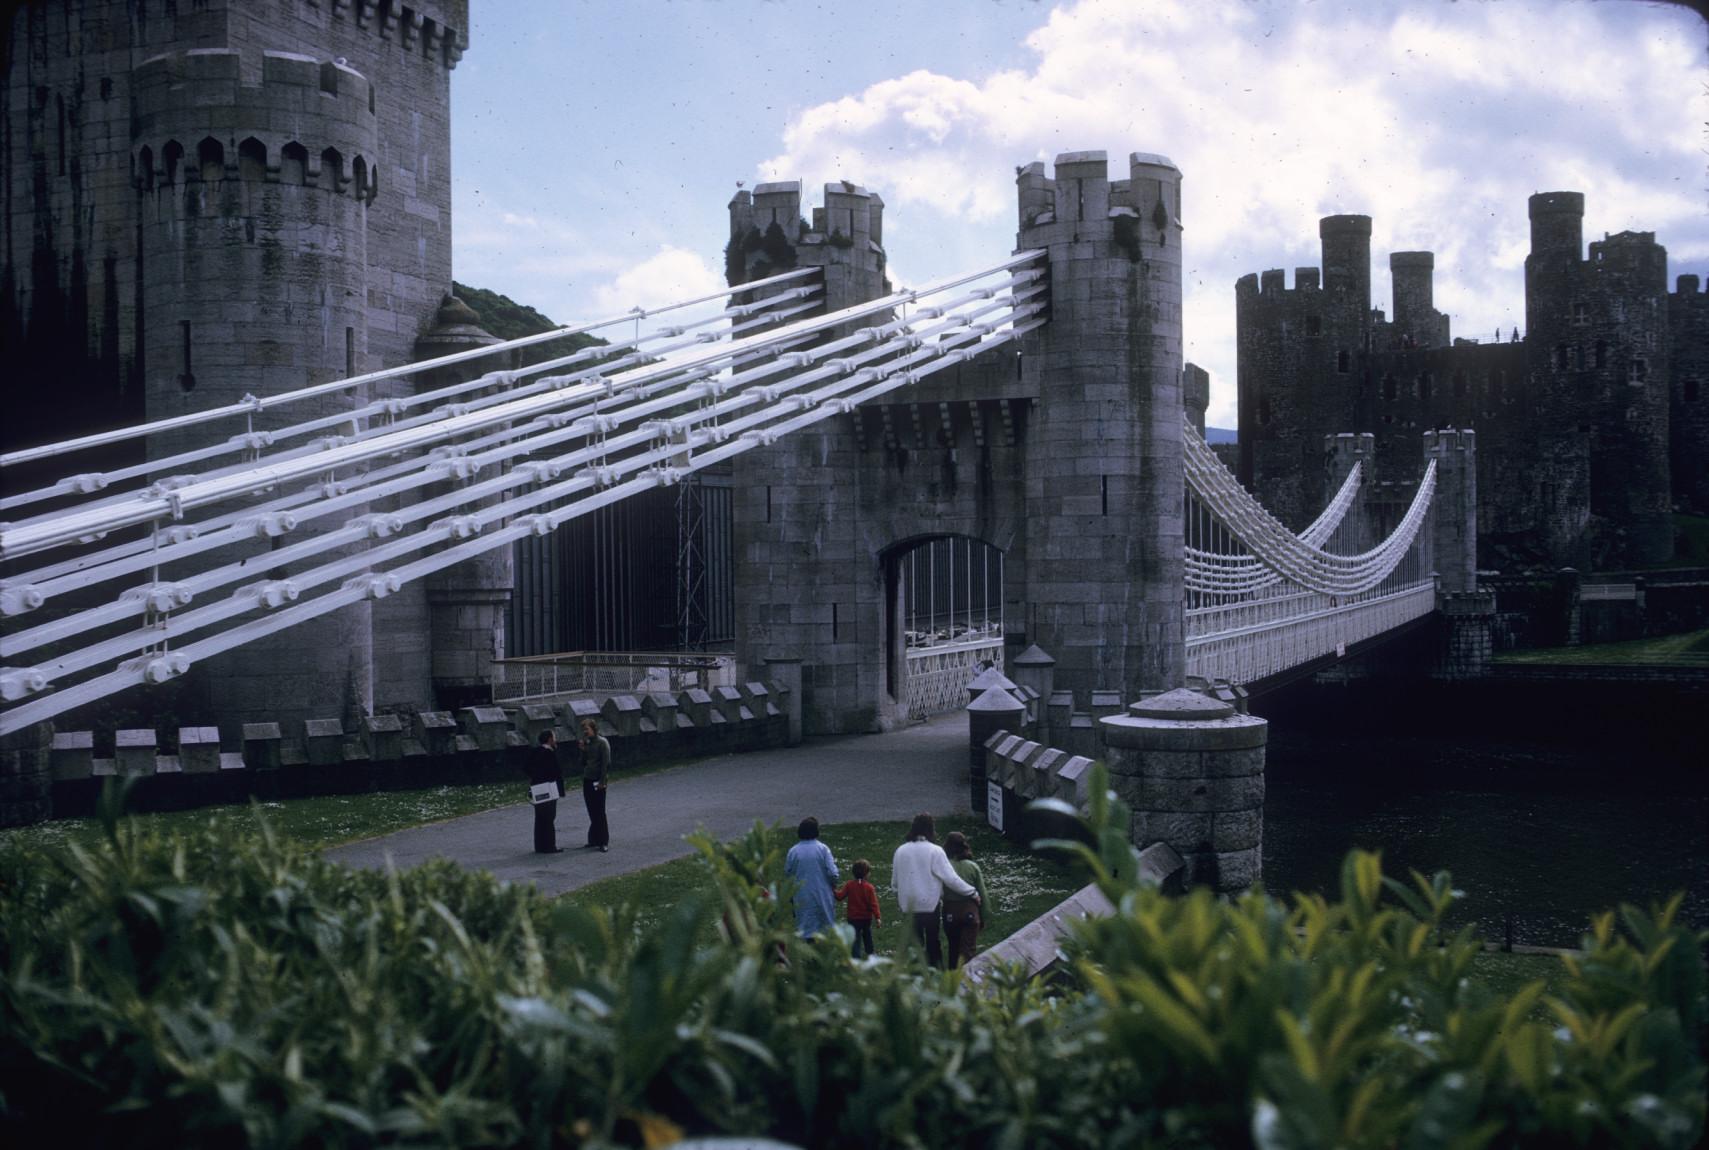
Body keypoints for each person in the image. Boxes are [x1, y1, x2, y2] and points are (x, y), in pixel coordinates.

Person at [891, 813, 977, 968]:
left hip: (908, 906)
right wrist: (972, 892)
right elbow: (951, 879)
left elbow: (895, 883)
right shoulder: (935, 851)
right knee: (933, 942)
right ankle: (935, 973)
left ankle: (917, 975)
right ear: (931, 829)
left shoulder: (900, 851)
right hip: (930, 906)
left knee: (915, 944)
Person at [784, 816, 839, 940]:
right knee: (824, 928)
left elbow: (788, 873)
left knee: (805, 926)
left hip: (801, 894)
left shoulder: (793, 851)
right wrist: (833, 883)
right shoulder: (823, 849)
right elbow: (833, 873)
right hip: (822, 893)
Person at [940, 832, 990, 969]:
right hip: (970, 912)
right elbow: (982, 893)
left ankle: (951, 980)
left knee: (953, 948)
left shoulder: (944, 866)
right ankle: (968, 981)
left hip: (950, 912)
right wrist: (984, 916)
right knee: (968, 950)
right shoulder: (972, 867)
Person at [835, 859, 882, 959]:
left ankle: (855, 958)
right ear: (866, 874)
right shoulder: (869, 888)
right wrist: (877, 917)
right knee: (867, 936)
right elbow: (874, 904)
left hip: (853, 919)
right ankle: (871, 954)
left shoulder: (849, 885)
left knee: (855, 939)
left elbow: (840, 897)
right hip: (866, 919)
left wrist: (832, 889)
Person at [527, 729, 565, 854]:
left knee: (539, 817)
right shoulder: (549, 753)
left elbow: (526, 767)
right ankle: (549, 846)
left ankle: (540, 845)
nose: (555, 740)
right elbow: (556, 771)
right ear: (549, 739)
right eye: (554, 737)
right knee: (549, 817)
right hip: (549, 788)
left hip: (537, 787)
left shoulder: (535, 751)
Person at [577, 718, 610, 851]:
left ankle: (603, 841)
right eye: (583, 729)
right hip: (588, 779)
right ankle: (593, 839)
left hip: (598, 779)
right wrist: (583, 750)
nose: (585, 732)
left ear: (594, 729)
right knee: (591, 810)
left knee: (599, 811)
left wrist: (603, 781)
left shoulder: (602, 743)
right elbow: (582, 763)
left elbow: (605, 764)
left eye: (587, 729)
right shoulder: (588, 743)